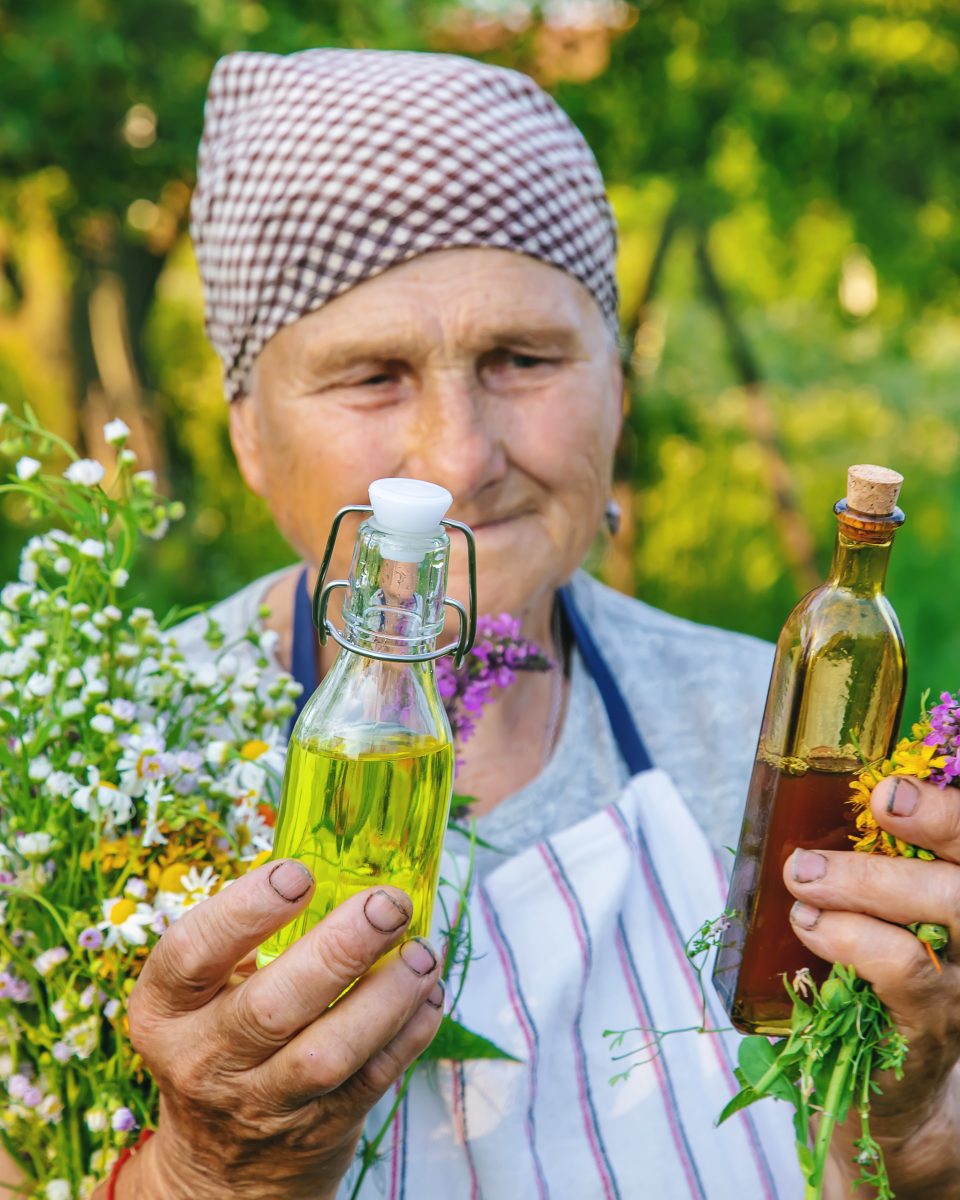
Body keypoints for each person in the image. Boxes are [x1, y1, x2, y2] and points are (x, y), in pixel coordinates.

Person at [3, 46, 958, 1200]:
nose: (459, 460)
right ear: (249, 430)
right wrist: (206, 1176)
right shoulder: (68, 785)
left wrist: (918, 1151)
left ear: (619, 383)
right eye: (371, 376)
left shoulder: (786, 753)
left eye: (522, 358)